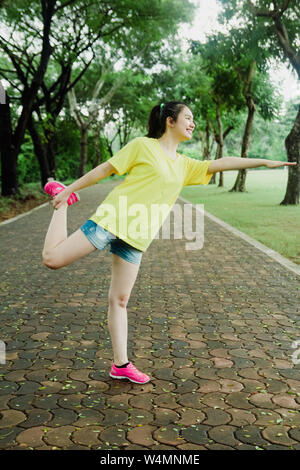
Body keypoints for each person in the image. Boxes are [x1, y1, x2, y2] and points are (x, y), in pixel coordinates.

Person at [42, 100, 296, 384]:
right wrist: (70, 191)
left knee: (120, 299)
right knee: (53, 260)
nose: (193, 123)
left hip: (137, 236)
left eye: (194, 119)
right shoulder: (142, 146)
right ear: (169, 121)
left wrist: (264, 161)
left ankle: (120, 365)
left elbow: (221, 163)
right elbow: (105, 170)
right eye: (188, 117)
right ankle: (60, 200)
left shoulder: (185, 165)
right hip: (111, 220)